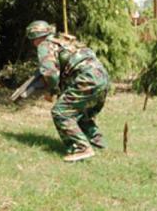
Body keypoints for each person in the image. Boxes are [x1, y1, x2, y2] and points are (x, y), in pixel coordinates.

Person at [26, 20, 109, 162]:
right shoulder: (63, 41)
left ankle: (81, 148)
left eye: (33, 40)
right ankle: (98, 144)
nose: (33, 43)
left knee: (60, 112)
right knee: (83, 114)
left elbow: (50, 73)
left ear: (36, 37)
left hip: (86, 78)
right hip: (102, 77)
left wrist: (52, 90)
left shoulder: (45, 45)